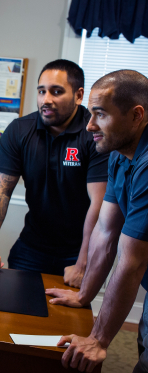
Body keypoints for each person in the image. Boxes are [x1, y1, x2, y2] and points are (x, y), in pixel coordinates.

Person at [46, 70, 148, 373]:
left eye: (100, 115)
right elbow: (106, 232)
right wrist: (84, 294)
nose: (89, 125)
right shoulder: (120, 153)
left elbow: (131, 262)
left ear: (136, 115)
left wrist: (99, 340)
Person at [0, 59, 109, 288]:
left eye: (56, 92)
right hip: (32, 246)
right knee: (17, 316)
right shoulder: (19, 131)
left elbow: (98, 205)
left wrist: (83, 263)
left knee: (68, 322)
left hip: (78, 250)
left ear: (79, 96)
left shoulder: (94, 134)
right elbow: (0, 193)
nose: (46, 99)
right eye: (42, 91)